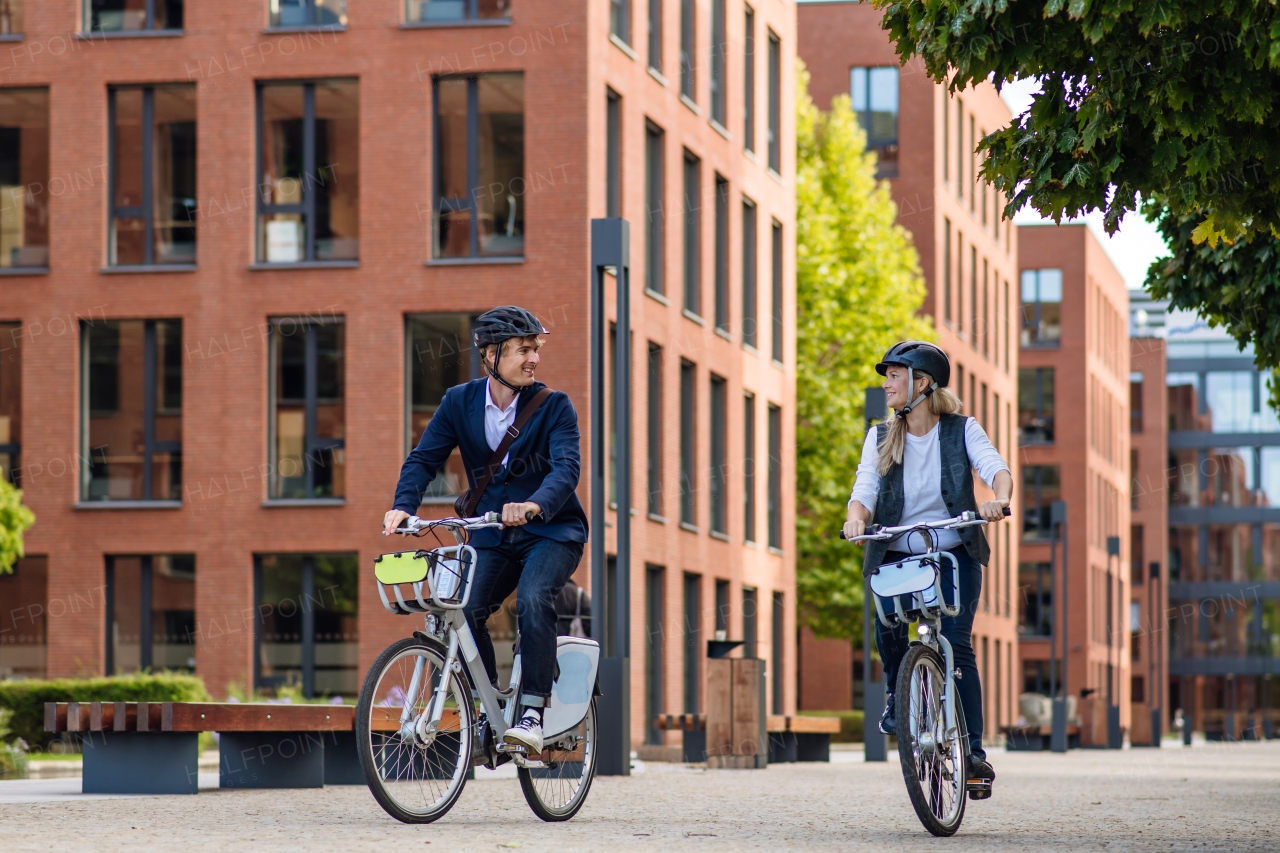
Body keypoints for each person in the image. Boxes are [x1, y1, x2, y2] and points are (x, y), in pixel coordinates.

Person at [384, 306, 589, 755]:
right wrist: (403, 507)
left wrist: (535, 504)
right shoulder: (459, 401)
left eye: (537, 348)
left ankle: (532, 711)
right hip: (492, 533)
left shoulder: (555, 406)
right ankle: (485, 709)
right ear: (491, 355)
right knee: (466, 608)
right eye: (524, 349)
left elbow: (566, 468)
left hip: (552, 532)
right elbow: (424, 458)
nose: (534, 358)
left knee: (535, 597)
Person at [843, 341, 1011, 788]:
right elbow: (865, 488)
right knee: (889, 631)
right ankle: (899, 696)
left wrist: (1000, 498)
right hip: (898, 550)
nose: (887, 383)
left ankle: (973, 755)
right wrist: (855, 519)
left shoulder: (961, 429)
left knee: (957, 646)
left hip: (954, 549)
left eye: (895, 375)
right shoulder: (880, 436)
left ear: (922, 383)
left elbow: (994, 466)